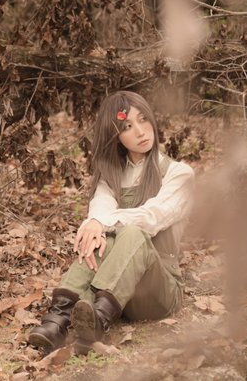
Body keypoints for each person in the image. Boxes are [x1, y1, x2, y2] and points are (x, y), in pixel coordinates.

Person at [28, 91, 195, 353]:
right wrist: (95, 224)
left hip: (159, 292)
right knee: (97, 236)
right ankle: (58, 318)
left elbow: (154, 216)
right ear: (116, 136)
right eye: (127, 126)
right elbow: (101, 209)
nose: (140, 131)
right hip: (120, 298)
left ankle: (98, 321)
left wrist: (101, 223)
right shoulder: (111, 178)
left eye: (143, 119)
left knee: (131, 232)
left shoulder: (179, 174)